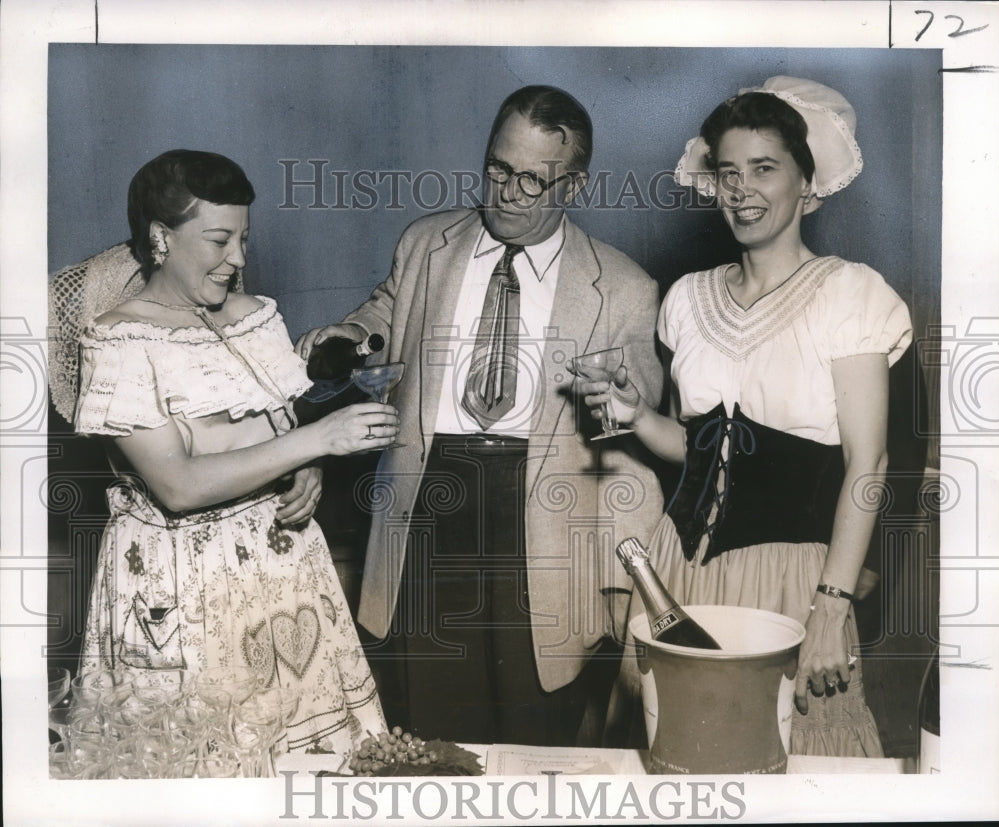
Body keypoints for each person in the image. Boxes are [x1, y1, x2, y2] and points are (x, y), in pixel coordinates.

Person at [296, 86, 664, 746]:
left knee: (534, 735)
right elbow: (382, 316)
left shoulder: (626, 288)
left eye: (533, 179)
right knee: (430, 735)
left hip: (544, 521)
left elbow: (636, 424)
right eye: (498, 169)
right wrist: (345, 339)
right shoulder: (425, 243)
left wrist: (618, 397)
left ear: (574, 185)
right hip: (429, 499)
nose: (509, 193)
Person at [579, 76, 912, 755]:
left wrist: (831, 605)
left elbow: (867, 465)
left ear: (806, 183)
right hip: (680, 572)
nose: (741, 189)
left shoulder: (850, 294)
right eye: (728, 172)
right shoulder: (687, 299)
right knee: (676, 757)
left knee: (790, 760)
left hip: (793, 581)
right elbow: (694, 447)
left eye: (764, 169)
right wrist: (636, 415)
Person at [72, 149, 396, 754]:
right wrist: (320, 439)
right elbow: (178, 485)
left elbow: (274, 436)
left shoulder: (254, 321)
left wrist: (306, 467)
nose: (239, 260)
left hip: (285, 573)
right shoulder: (120, 341)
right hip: (179, 593)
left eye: (244, 239)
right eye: (219, 240)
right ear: (160, 238)